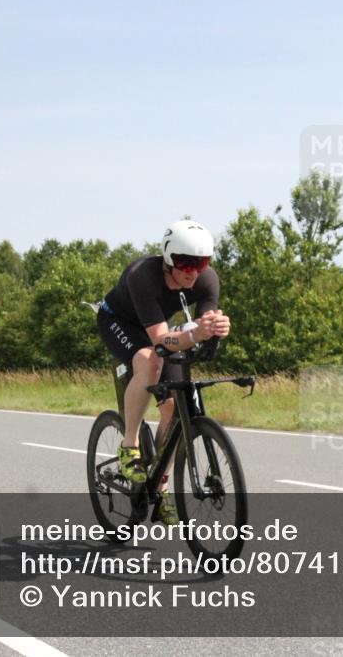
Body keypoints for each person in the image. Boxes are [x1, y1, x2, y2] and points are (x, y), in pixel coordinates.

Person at [96, 220, 231, 524]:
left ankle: (161, 482)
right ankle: (129, 446)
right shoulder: (142, 275)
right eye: (185, 263)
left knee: (174, 408)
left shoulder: (207, 280)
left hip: (159, 327)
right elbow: (160, 342)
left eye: (201, 263)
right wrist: (196, 334)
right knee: (151, 361)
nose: (192, 271)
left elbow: (204, 325)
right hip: (119, 322)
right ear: (169, 258)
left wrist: (217, 329)